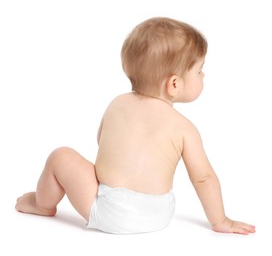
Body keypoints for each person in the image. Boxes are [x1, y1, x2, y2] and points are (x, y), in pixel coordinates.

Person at [15, 17, 255, 235]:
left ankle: (41, 204)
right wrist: (220, 220)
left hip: (112, 211)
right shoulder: (185, 128)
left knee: (61, 156)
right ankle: (42, 205)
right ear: (174, 83)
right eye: (199, 70)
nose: (204, 75)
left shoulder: (118, 104)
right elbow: (204, 178)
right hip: (160, 214)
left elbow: (102, 142)